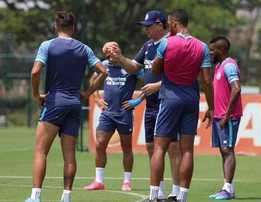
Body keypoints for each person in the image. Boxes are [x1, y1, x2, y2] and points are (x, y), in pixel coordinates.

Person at [25, 11, 108, 202]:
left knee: (41, 151)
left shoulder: (47, 45)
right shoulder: (84, 49)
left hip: (55, 101)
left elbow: (35, 71)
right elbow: (103, 72)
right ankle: (66, 196)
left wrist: (36, 95)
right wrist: (87, 93)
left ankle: (36, 197)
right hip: (74, 103)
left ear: (56, 27)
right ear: (73, 28)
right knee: (70, 154)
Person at [110, 10, 182, 201]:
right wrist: (120, 58)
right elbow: (134, 67)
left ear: (160, 25)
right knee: (151, 146)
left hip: (168, 103)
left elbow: (181, 76)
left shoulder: (173, 44)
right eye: (145, 26)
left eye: (149, 26)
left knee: (173, 148)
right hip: (150, 106)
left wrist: (158, 85)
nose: (146, 30)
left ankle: (176, 193)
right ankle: (159, 192)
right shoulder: (148, 45)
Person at [148, 8, 214, 202]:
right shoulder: (202, 47)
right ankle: (182, 196)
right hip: (191, 100)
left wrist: (163, 57)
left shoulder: (167, 43)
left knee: (159, 148)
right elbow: (207, 81)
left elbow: (155, 69)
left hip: (170, 98)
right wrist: (211, 107)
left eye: (170, 24)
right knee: (187, 150)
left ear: (174, 24)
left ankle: (153, 196)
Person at [84, 41, 144, 191]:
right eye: (107, 54)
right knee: (99, 145)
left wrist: (137, 100)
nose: (110, 56)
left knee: (126, 148)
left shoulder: (131, 66)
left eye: (112, 51)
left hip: (124, 113)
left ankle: (127, 182)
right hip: (107, 114)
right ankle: (99, 181)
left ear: (119, 51)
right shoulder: (104, 65)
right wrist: (97, 99)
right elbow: (92, 80)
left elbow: (148, 83)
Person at [208, 36, 243, 200]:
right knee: (224, 151)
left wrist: (227, 115)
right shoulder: (219, 66)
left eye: (212, 49)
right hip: (219, 116)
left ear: (221, 50)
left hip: (228, 117)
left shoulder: (229, 66)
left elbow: (236, 89)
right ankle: (228, 188)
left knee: (228, 150)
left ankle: (227, 189)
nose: (210, 52)